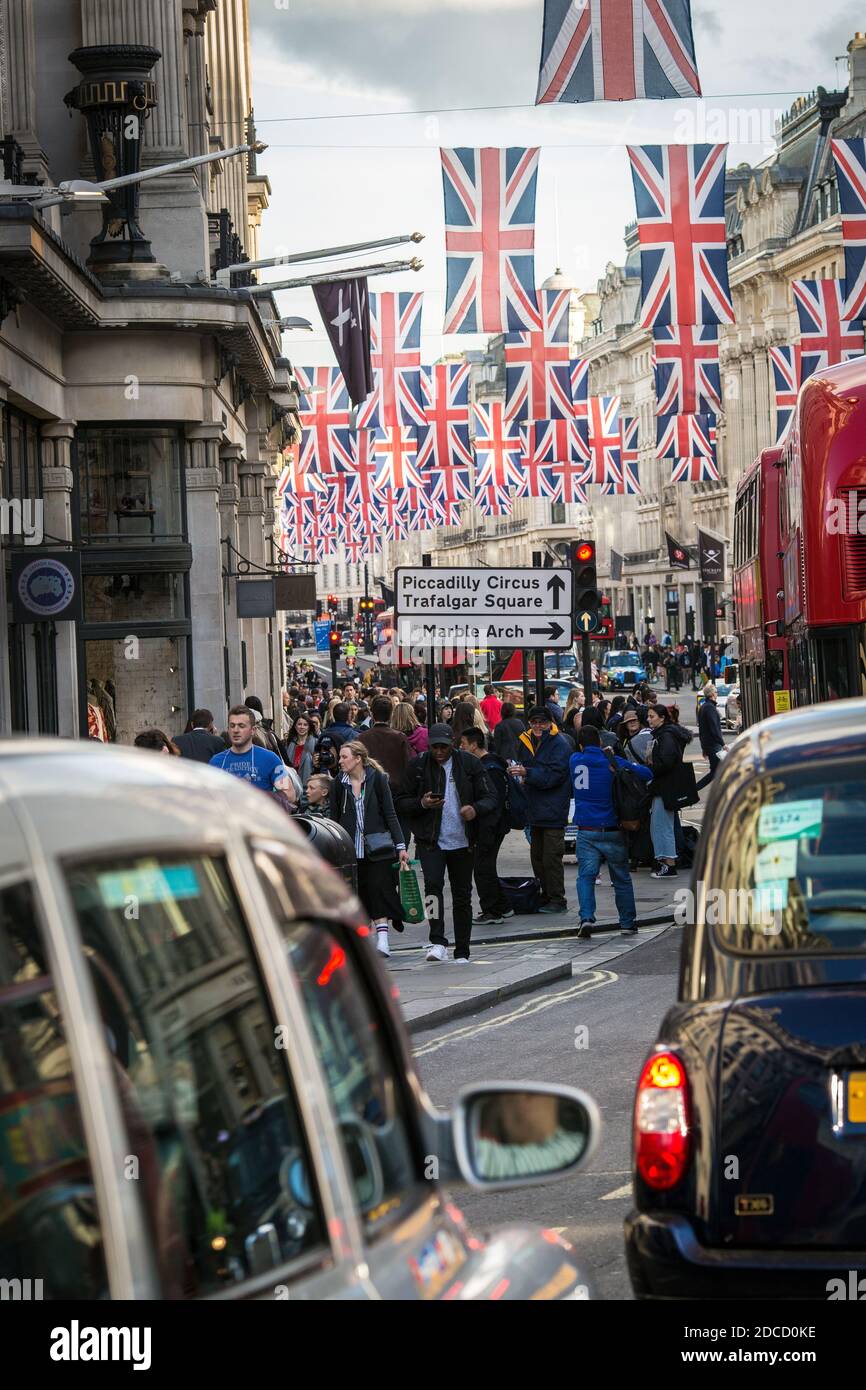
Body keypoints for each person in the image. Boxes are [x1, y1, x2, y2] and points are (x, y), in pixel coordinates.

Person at [396, 723, 497, 963]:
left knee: (462, 895)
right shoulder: (419, 765)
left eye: (443, 746)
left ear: (453, 743)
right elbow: (400, 800)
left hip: (463, 841)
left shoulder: (470, 764)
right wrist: (421, 804)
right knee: (432, 890)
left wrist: (475, 809)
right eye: (434, 747)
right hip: (430, 841)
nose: (439, 752)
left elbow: (491, 796)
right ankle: (437, 940)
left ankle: (462, 949)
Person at [570, 725, 653, 939]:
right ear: (599, 742)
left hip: (586, 830)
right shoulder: (611, 761)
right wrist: (616, 760)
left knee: (585, 877)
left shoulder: (574, 761)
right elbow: (646, 773)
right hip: (613, 828)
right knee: (621, 879)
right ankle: (627, 923)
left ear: (580, 744)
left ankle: (587, 917)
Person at [330, 742, 409, 958]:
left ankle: (383, 941)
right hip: (350, 850)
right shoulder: (339, 784)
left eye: (344, 757)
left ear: (358, 759)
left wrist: (400, 845)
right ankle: (366, 939)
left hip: (377, 848)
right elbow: (334, 819)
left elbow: (390, 814)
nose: (340, 761)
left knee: (378, 890)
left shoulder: (378, 779)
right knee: (359, 894)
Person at [507, 707, 572, 915]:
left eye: (541, 722)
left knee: (551, 858)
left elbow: (555, 775)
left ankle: (557, 899)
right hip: (534, 810)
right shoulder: (525, 741)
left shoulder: (559, 744)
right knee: (537, 858)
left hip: (553, 811)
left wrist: (528, 773)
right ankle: (545, 895)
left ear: (550, 722)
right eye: (533, 722)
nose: (537, 726)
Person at [459, 726, 513, 927]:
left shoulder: (488, 768)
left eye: (463, 744)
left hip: (490, 827)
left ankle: (492, 911)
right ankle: (503, 906)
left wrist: (486, 828)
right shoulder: (490, 764)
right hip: (490, 826)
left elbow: (494, 802)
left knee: (482, 868)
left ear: (474, 745)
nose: (461, 748)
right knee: (486, 867)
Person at [209, 706, 299, 806]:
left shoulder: (269, 759)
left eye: (241, 726)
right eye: (232, 726)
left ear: (253, 730)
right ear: (228, 730)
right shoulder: (216, 761)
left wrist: (257, 798)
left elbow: (290, 795)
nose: (236, 730)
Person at [646, 704, 694, 878]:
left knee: (662, 826)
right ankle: (666, 863)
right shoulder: (666, 734)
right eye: (648, 716)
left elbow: (666, 762)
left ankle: (669, 865)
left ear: (662, 718)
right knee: (661, 825)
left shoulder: (665, 736)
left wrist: (650, 767)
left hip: (664, 787)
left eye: (652, 716)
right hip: (665, 786)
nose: (649, 719)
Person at [359, 695, 412, 789]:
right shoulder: (400, 737)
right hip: (395, 791)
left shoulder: (362, 738)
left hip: (371, 789)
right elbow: (408, 765)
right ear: (391, 714)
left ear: (372, 714)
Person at [696, 683, 725, 791]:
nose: (717, 694)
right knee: (718, 771)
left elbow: (702, 730)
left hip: (709, 745)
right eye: (716, 692)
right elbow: (714, 729)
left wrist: (704, 748)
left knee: (717, 771)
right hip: (714, 745)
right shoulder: (710, 708)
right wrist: (723, 744)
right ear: (712, 694)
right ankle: (694, 789)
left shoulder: (704, 707)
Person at [285, 714, 318, 786]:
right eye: (299, 724)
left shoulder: (316, 743)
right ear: (295, 726)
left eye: (305, 725)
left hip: (309, 784)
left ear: (309, 727)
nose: (302, 727)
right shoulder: (288, 743)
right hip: (292, 783)